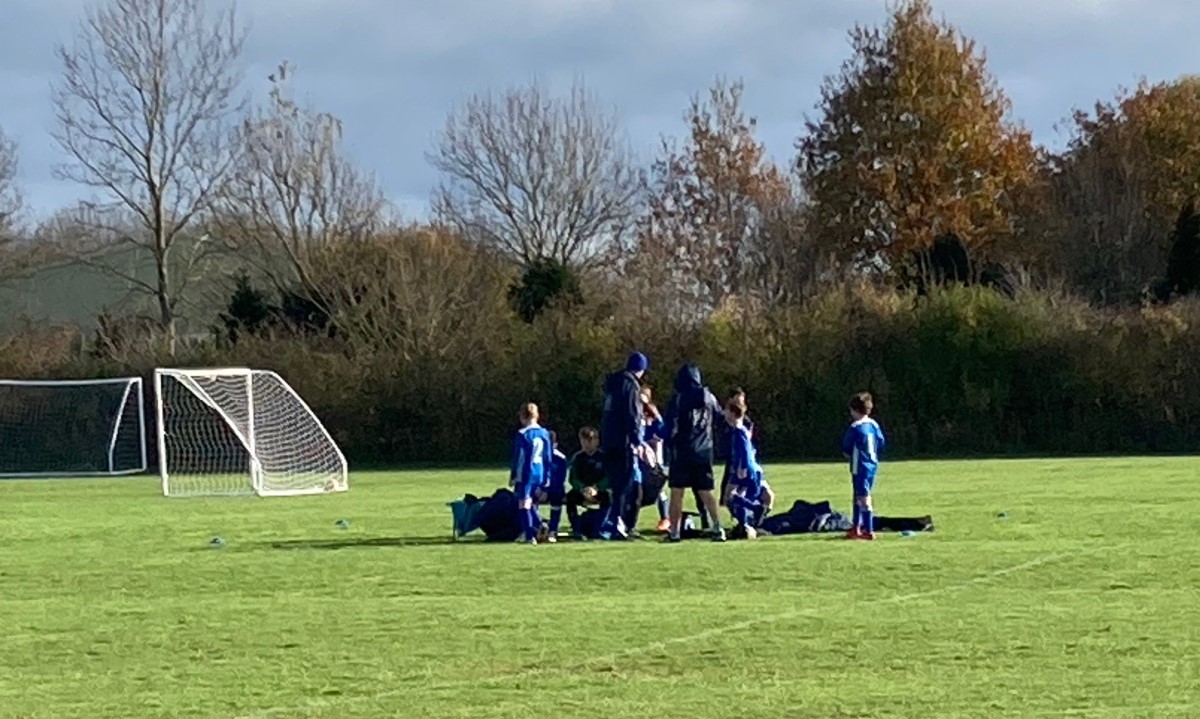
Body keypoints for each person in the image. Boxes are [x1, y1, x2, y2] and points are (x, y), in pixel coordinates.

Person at [662, 363, 727, 543]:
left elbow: (670, 426)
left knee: (677, 492)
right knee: (706, 492)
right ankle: (718, 527)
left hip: (682, 452)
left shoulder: (678, 399)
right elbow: (720, 418)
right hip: (704, 451)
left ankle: (675, 532)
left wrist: (669, 443)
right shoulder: (709, 397)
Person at [598, 352, 649, 540]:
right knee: (624, 485)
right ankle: (615, 523)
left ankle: (613, 522)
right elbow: (632, 413)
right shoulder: (631, 385)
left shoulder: (613, 385)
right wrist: (637, 441)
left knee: (615, 484)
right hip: (623, 442)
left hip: (609, 441)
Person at [722, 397, 771, 539]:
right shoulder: (739, 430)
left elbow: (744, 452)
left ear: (733, 413)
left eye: (726, 411)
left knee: (731, 497)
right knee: (735, 497)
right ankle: (745, 525)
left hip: (745, 470)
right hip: (746, 469)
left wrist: (742, 468)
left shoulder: (739, 431)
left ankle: (754, 512)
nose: (724, 414)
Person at [841, 391, 886, 541]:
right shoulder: (874, 424)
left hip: (860, 466)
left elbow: (846, 448)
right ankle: (856, 527)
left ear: (854, 410)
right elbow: (881, 442)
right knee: (857, 495)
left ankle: (868, 530)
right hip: (872, 464)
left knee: (863, 496)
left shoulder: (855, 427)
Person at [510, 402, 554, 545]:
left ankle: (530, 536)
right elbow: (548, 456)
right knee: (532, 502)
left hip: (526, 472)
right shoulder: (544, 433)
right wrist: (547, 476)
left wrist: (514, 474)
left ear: (522, 417)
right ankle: (540, 526)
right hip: (539, 471)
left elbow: (518, 457)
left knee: (523, 503)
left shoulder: (522, 434)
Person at [638, 385, 672, 532]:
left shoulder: (653, 415)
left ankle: (666, 518)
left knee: (657, 487)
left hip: (654, 459)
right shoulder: (633, 414)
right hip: (638, 457)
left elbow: (663, 432)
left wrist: (653, 441)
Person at [566, 427, 609, 537]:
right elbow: (573, 478)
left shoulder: (604, 457)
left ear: (597, 441)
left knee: (610, 498)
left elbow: (609, 477)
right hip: (582, 491)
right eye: (584, 440)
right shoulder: (577, 458)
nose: (587, 444)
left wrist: (596, 488)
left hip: (599, 491)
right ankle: (576, 529)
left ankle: (601, 527)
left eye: (590, 440)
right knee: (570, 498)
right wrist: (582, 488)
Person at [540, 431, 569, 542]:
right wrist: (541, 490)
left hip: (555, 489)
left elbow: (560, 479)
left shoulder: (560, 458)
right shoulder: (538, 456)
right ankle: (536, 529)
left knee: (557, 496)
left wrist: (547, 490)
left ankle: (553, 530)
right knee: (528, 498)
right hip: (540, 490)